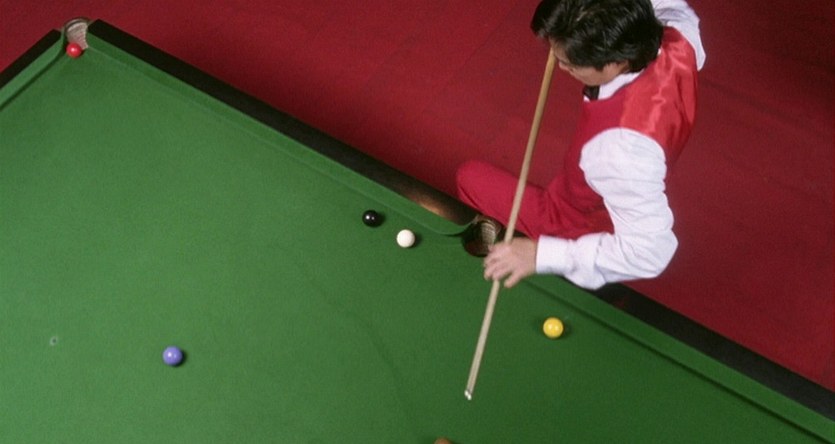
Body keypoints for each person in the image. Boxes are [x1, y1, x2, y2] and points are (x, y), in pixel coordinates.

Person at [456, 0, 706, 290]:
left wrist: (542, 255)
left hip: (579, 221)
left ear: (617, 62)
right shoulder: (679, 31)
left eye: (570, 64)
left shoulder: (616, 152)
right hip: (628, 179)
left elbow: (650, 251)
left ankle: (512, 251)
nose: (559, 63)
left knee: (470, 177)